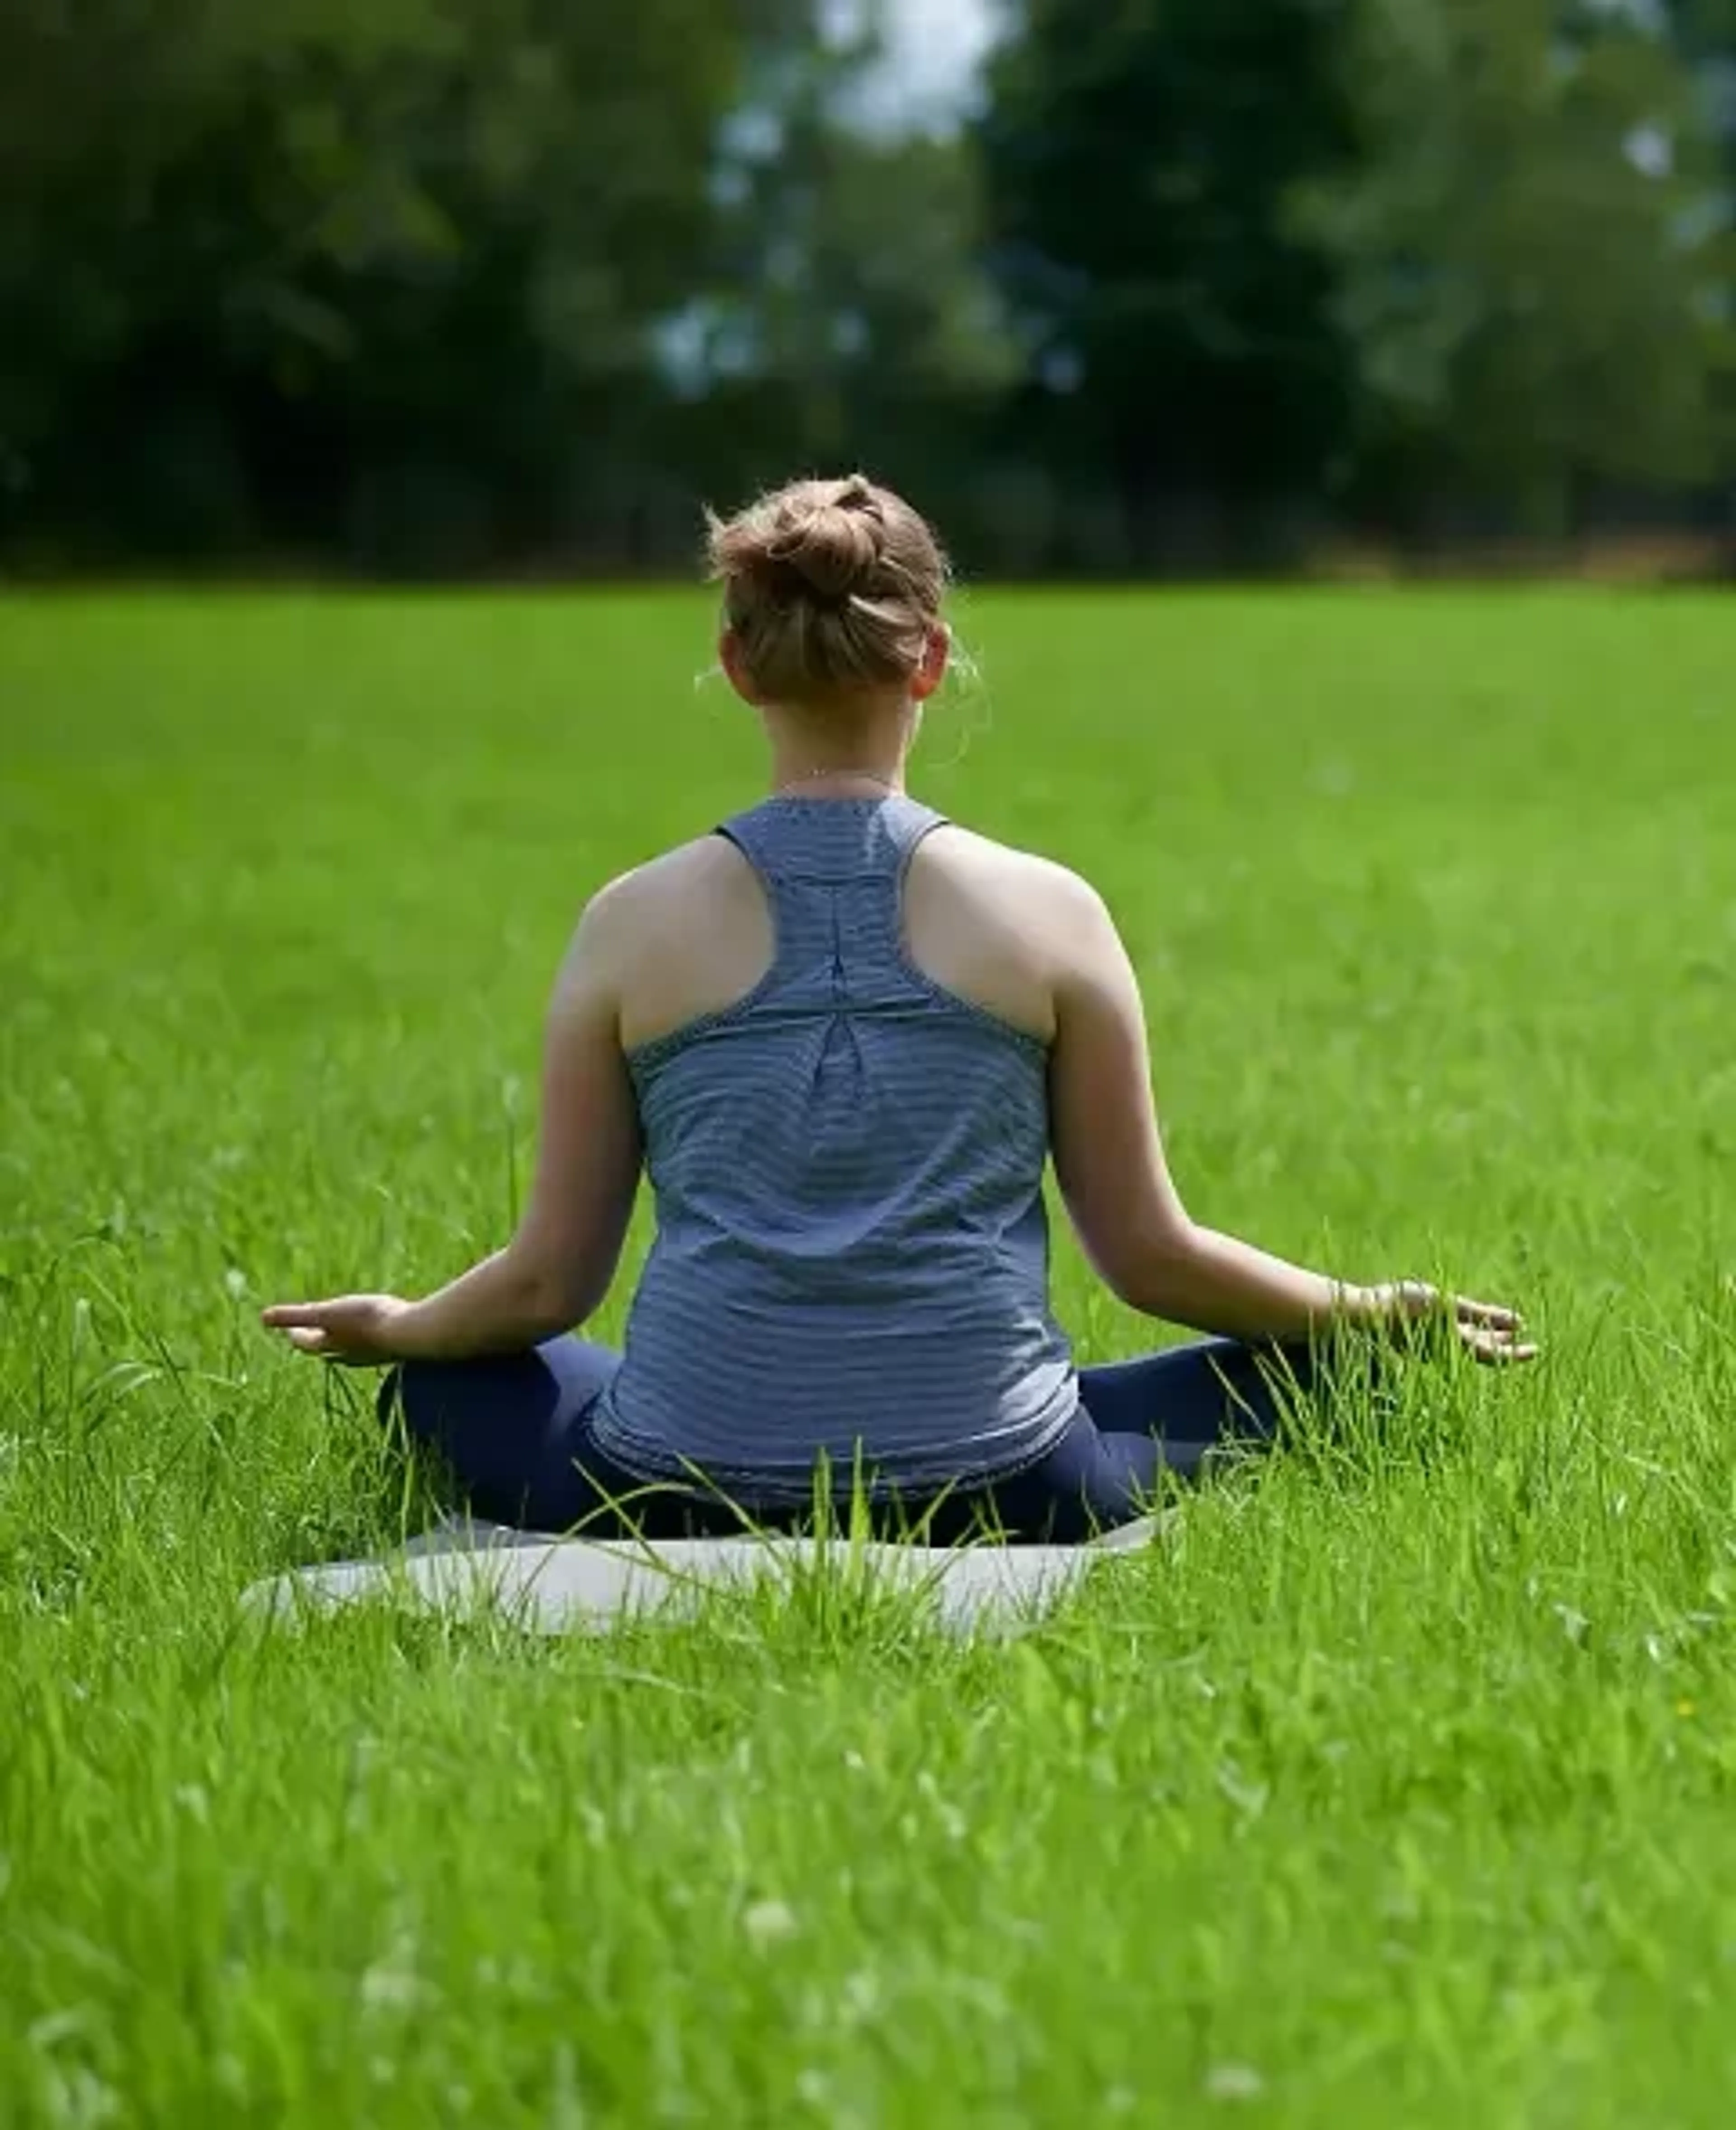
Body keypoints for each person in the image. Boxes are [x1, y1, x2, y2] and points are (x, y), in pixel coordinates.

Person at [264, 474, 1534, 1544]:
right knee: (1348, 1376)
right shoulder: (1052, 912)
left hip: (672, 1489)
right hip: (1011, 1485)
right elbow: (1150, 1257)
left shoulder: (626, 923)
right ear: (929, 661)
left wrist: (406, 1327)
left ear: (737, 665)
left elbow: (548, 1283)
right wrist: (1373, 1312)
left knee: (442, 1387)